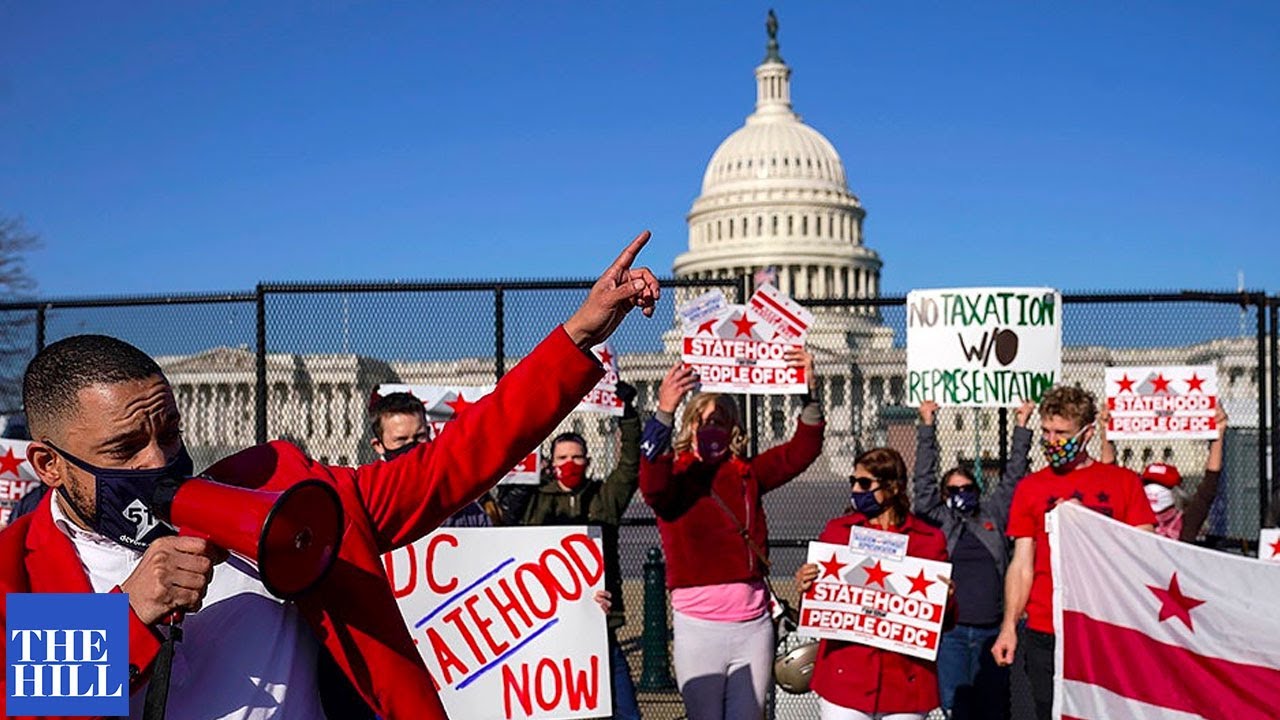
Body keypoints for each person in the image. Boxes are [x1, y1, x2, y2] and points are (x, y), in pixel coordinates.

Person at [0, 231, 660, 720]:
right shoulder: (20, 570)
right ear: (49, 465)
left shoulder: (278, 486)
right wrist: (131, 614)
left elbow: (449, 464)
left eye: (168, 430)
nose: (157, 460)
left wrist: (576, 338)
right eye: (124, 447)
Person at [639, 350, 823, 720]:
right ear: (690, 426)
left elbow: (801, 451)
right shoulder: (675, 477)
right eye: (705, 420)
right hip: (699, 626)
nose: (712, 428)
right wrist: (663, 412)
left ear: (733, 430)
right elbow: (651, 485)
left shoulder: (747, 474)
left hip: (753, 625)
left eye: (721, 421)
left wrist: (807, 394)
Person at [990, 385, 1156, 720]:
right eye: (1047, 431)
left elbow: (1144, 553)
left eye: (1062, 433)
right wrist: (1009, 625)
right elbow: (1022, 564)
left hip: (1105, 626)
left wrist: (1089, 523)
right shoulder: (1031, 487)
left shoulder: (1123, 482)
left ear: (1087, 433)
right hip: (1046, 629)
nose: (1052, 441)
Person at [499, 379, 642, 719]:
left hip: (599, 624)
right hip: (545, 627)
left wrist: (628, 417)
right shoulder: (534, 499)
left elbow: (629, 467)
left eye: (577, 456)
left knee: (625, 711)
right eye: (563, 457)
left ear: (588, 460)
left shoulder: (604, 497)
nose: (571, 463)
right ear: (551, 462)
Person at [796, 447, 955, 720]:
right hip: (846, 675)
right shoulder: (838, 533)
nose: (857, 490)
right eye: (854, 482)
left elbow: (944, 622)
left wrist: (947, 597)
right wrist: (805, 585)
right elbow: (819, 606)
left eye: (865, 483)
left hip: (905, 682)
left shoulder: (928, 540)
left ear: (893, 487)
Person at [912, 400, 1033, 720]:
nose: (961, 493)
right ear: (944, 494)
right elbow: (922, 484)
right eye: (954, 489)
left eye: (967, 488)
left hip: (992, 631)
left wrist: (1022, 426)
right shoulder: (938, 520)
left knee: (993, 709)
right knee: (956, 706)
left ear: (977, 491)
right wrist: (927, 426)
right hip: (951, 631)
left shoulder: (992, 515)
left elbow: (1014, 478)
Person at [1097, 405, 1228, 542]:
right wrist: (1107, 433)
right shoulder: (1130, 518)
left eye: (1162, 485)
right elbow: (1109, 475)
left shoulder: (1185, 524)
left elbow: (1208, 487)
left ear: (1175, 492)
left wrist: (1218, 435)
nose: (1154, 490)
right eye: (1149, 483)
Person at [369, 390, 491, 527]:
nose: (413, 448)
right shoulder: (371, 505)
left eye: (419, 437)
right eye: (401, 440)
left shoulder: (463, 508)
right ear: (378, 445)